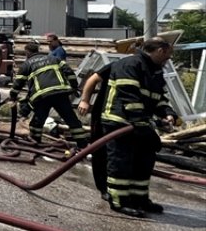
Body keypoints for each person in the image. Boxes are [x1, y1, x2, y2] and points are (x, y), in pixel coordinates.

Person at [100, 37, 177, 217]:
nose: (168, 60)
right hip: (119, 122)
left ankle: (140, 199)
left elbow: (158, 98)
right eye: (168, 55)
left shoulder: (155, 71)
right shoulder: (129, 65)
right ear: (160, 51)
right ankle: (118, 200)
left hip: (140, 124)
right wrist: (147, 126)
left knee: (144, 162)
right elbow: (130, 100)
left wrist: (167, 113)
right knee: (121, 163)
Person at [10, 42, 88, 147]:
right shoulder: (54, 59)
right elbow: (69, 72)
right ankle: (83, 144)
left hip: (43, 96)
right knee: (71, 119)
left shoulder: (27, 64)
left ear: (27, 52)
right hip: (60, 93)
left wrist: (13, 96)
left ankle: (35, 142)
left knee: (38, 121)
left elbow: (18, 84)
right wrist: (74, 87)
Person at [77, 66, 113, 200]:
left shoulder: (154, 70)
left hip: (128, 119)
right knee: (100, 150)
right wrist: (85, 100)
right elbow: (93, 79)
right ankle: (104, 188)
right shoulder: (118, 65)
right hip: (103, 114)